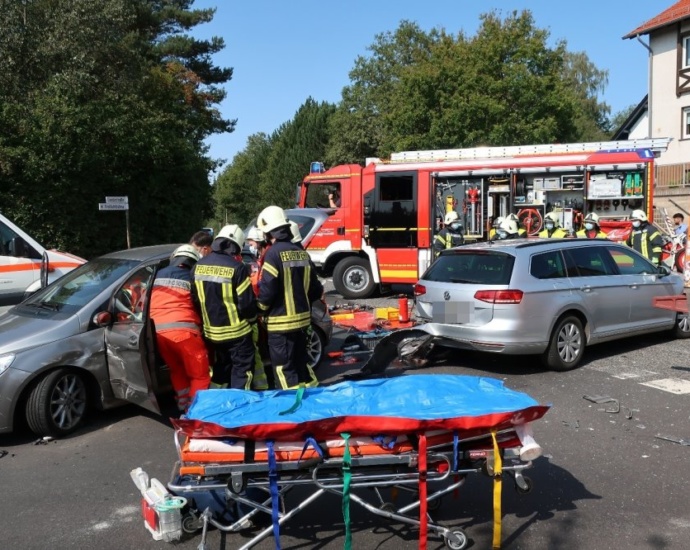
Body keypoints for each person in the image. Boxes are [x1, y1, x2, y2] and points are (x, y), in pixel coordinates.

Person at [257, 205, 323, 389]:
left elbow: (268, 290)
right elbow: (316, 290)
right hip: (302, 322)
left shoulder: (272, 254)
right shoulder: (302, 253)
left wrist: (259, 309)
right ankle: (314, 401)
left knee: (284, 370)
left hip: (280, 324)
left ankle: (291, 409)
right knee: (302, 365)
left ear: (268, 232)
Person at [192, 224, 258, 390]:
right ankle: (238, 407)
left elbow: (194, 300)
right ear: (235, 246)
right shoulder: (237, 268)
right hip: (238, 334)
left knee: (221, 369)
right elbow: (247, 304)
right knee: (242, 370)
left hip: (211, 334)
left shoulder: (197, 266)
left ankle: (217, 404)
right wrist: (253, 320)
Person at [149, 245, 210, 412]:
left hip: (159, 334)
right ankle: (196, 412)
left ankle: (182, 404)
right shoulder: (193, 277)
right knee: (200, 375)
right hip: (185, 333)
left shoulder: (156, 275)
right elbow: (201, 305)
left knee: (177, 370)